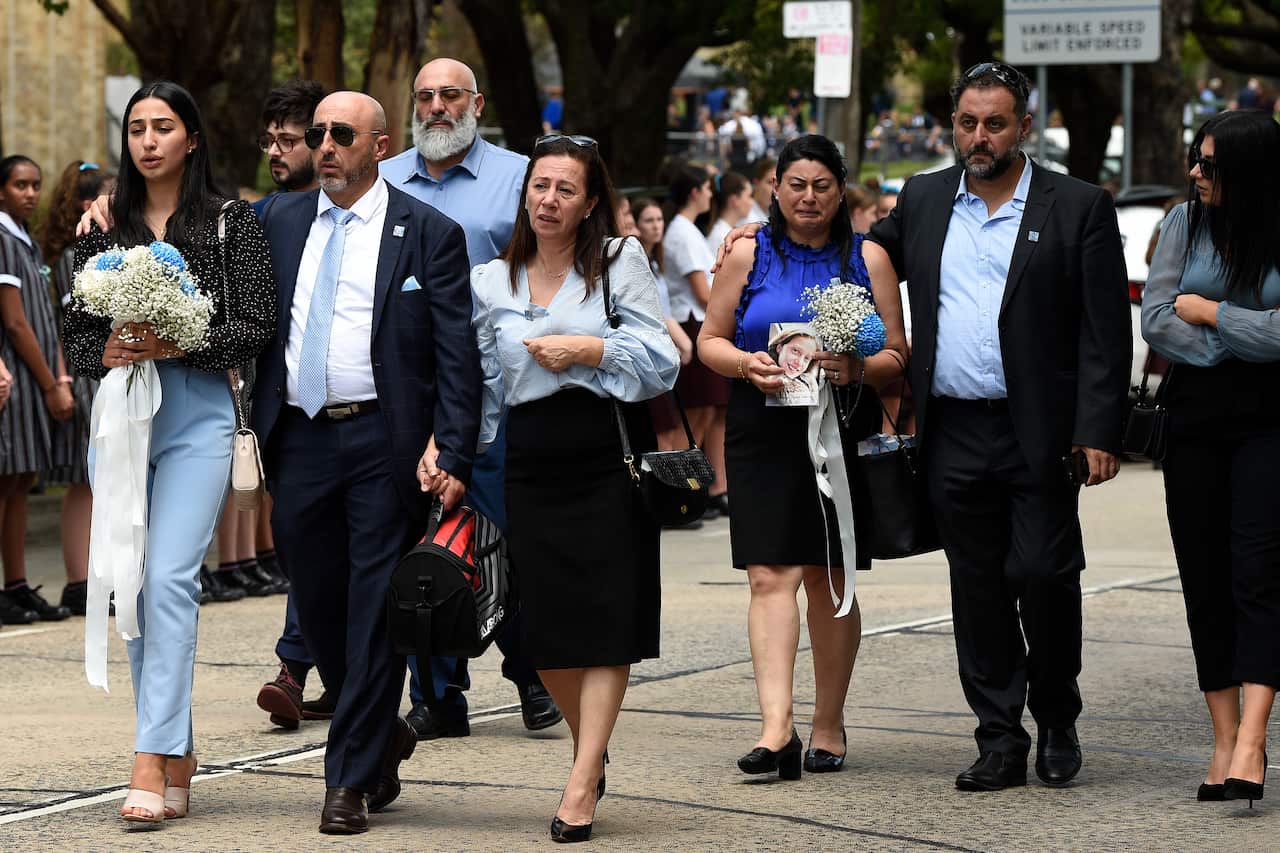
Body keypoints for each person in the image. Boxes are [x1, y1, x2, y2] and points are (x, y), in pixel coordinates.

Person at [863, 62, 1131, 791]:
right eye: (967, 123)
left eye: (995, 123)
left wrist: (1098, 429)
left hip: (1039, 432)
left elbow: (1105, 333)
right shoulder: (921, 197)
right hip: (951, 430)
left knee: (1045, 574)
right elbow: (867, 247)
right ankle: (999, 737)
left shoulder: (1077, 206)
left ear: (1023, 127)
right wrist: (758, 246)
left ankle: (1058, 715)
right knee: (975, 587)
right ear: (953, 124)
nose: (979, 137)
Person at [250, 90, 481, 834]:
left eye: (340, 134)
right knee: (316, 610)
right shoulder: (276, 219)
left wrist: (451, 444)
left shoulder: (427, 233)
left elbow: (457, 354)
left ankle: (347, 779)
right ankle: (384, 730)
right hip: (299, 438)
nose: (323, 145)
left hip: (386, 444)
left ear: (379, 146)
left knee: (373, 614)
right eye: (316, 133)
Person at [64, 80, 277, 824]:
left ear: (191, 138)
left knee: (170, 578)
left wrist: (182, 339)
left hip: (199, 415)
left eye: (163, 127)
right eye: (136, 128)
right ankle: (177, 748)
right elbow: (77, 335)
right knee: (130, 577)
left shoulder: (230, 222)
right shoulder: (100, 229)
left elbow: (256, 324)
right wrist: (113, 349)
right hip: (122, 416)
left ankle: (148, 755)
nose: (148, 140)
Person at [471, 133, 678, 842]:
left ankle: (583, 775)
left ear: (592, 200)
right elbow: (488, 388)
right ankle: (593, 740)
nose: (548, 199)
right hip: (528, 458)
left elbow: (662, 362)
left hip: (604, 449)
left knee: (606, 621)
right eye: (539, 186)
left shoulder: (620, 262)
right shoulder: (489, 282)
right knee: (544, 633)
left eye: (565, 188)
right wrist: (456, 459)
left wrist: (591, 349)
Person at [698, 134, 908, 780]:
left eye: (821, 185)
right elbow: (709, 341)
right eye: (796, 184)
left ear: (840, 190)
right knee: (768, 576)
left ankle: (828, 721)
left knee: (829, 578)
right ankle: (775, 727)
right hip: (763, 426)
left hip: (840, 426)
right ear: (775, 189)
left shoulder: (868, 257)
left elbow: (898, 357)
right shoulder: (746, 253)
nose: (808, 197)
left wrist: (857, 368)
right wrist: (744, 363)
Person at [379, 56, 561, 741]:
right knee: (428, 542)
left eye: (449, 95)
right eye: (423, 96)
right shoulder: (386, 179)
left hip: (501, 389)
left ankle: (532, 670)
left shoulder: (519, 179)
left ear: (476, 103)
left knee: (504, 534)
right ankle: (437, 693)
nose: (434, 107)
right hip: (405, 390)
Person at [1140, 109, 1280, 806]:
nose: (1196, 173)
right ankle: (1222, 737)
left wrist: (1214, 313)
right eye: (1196, 159)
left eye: (1210, 164)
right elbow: (1158, 316)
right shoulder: (1180, 225)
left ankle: (1253, 739)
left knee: (1257, 572)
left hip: (1271, 424)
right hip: (1193, 421)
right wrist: (1243, 339)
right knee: (1204, 575)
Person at [249, 79, 335, 731]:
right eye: (269, 139)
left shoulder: (363, 212)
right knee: (303, 543)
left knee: (348, 549)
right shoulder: (263, 217)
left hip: (363, 413)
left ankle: (309, 668)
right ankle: (305, 669)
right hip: (287, 412)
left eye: (288, 139)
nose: (276, 151)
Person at [36, 160, 115, 618]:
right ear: (90, 205)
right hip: (85, 377)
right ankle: (79, 581)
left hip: (107, 375)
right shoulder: (74, 256)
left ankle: (101, 575)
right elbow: (74, 327)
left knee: (104, 481)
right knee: (83, 482)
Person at [0, 155, 75, 627]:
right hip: (17, 378)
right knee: (5, 482)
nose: (30, 193)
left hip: (37, 377)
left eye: (35, 185)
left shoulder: (24, 240)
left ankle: (17, 584)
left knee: (21, 482)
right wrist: (50, 383)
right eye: (19, 185)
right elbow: (14, 320)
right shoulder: (3, 238)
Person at [663, 164, 729, 514]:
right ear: (693, 192)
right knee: (692, 411)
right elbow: (702, 291)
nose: (710, 194)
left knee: (703, 411)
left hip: (699, 322)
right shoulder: (682, 232)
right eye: (706, 187)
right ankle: (677, 490)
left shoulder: (690, 230)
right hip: (691, 323)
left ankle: (692, 488)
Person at [705, 171, 752, 255]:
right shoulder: (721, 236)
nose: (751, 202)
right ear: (735, 200)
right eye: (749, 196)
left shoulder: (728, 231)